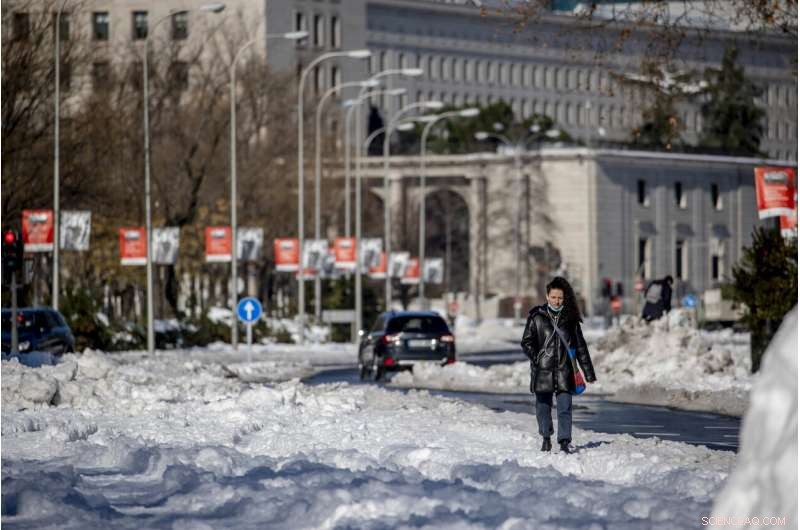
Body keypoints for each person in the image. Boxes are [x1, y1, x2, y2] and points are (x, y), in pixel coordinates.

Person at [521, 276, 596, 454]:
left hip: (565, 370)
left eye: (560, 298)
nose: (557, 300)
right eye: (554, 297)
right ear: (547, 296)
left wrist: (588, 373)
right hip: (543, 370)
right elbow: (526, 342)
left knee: (565, 408)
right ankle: (546, 438)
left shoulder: (571, 320)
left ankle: (564, 441)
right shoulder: (536, 317)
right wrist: (536, 357)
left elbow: (580, 347)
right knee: (543, 407)